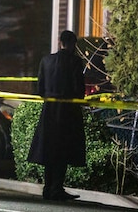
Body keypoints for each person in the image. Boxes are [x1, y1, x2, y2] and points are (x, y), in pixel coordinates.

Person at [27, 30, 86, 201]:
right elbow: (79, 91)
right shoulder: (75, 62)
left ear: (60, 42)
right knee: (63, 149)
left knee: (50, 149)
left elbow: (40, 90)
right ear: (73, 44)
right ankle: (57, 188)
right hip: (67, 112)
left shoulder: (46, 61)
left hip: (49, 111)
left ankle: (48, 187)